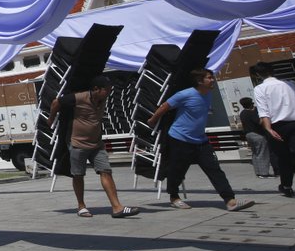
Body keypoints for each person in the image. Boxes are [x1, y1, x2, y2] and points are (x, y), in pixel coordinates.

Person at [147, 68, 254, 211]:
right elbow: (165, 106)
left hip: (201, 141)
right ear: (199, 81)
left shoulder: (208, 94)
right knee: (177, 171)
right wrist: (153, 120)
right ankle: (174, 197)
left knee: (215, 170)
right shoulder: (185, 94)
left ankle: (230, 201)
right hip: (180, 139)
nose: (212, 80)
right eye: (209, 78)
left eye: (212, 77)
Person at [48, 75, 140, 218]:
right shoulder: (78, 98)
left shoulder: (102, 99)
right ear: (96, 89)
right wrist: (50, 120)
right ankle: (81, 206)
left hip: (97, 144)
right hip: (77, 143)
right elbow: (56, 103)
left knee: (106, 171)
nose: (109, 93)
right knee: (78, 175)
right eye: (107, 90)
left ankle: (117, 208)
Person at [251, 61, 295, 197]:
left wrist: (269, 129)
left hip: (278, 126)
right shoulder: (291, 84)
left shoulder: (260, 89)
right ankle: (286, 186)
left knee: (284, 158)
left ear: (258, 75)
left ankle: (286, 186)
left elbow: (264, 112)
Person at [239, 97, 272, 178]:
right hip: (257, 135)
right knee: (262, 153)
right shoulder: (252, 112)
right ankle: (264, 173)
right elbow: (259, 122)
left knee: (255, 153)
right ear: (251, 104)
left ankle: (258, 172)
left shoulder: (242, 113)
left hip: (248, 135)